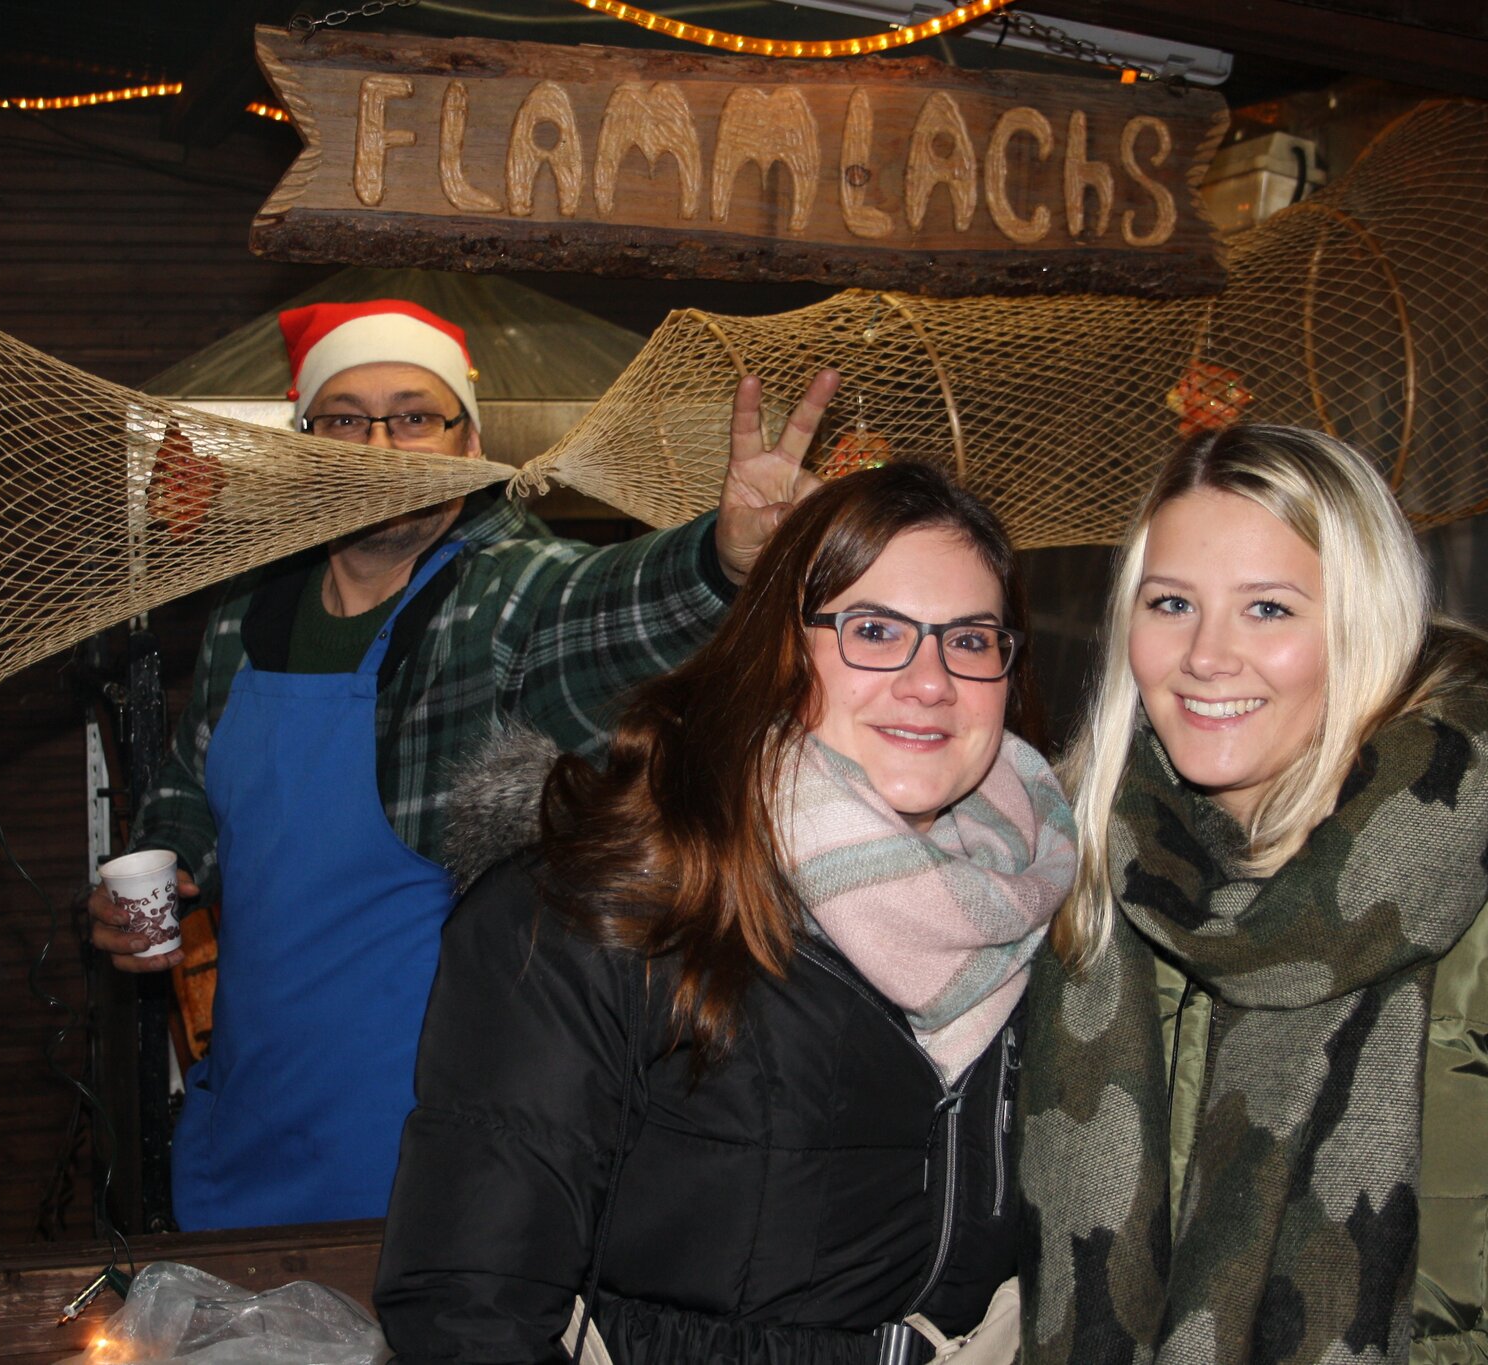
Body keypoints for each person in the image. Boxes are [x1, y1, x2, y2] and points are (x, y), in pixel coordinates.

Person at [87, 297, 842, 1232]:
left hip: (446, 1163)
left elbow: (607, 612)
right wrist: (163, 858)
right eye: (345, 418)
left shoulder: (507, 594)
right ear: (306, 440)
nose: (380, 444)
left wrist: (721, 565)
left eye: (414, 415)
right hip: (250, 1132)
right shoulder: (252, 607)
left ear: (468, 443)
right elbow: (193, 778)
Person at [1020, 424, 1488, 1365]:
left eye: (1270, 609)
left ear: (1366, 625)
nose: (1206, 656)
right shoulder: (1092, 884)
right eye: (1172, 603)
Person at [376, 462, 1076, 1364]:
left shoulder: (1061, 894)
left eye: (971, 640)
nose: (930, 681)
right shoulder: (600, 910)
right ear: (780, 646)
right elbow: (467, 1311)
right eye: (873, 630)